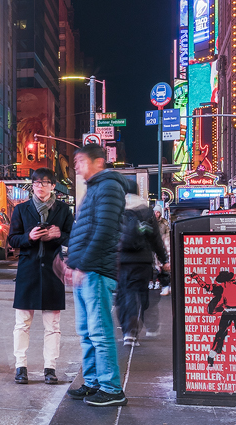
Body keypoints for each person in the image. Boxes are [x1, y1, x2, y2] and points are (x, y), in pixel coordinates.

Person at [64, 142, 129, 408]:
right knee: (86, 332)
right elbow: (85, 230)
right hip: (86, 270)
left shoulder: (109, 187)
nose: (76, 167)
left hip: (97, 271)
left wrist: (83, 264)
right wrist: (71, 262)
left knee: (100, 332)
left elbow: (103, 231)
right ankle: (92, 383)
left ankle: (112, 389)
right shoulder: (94, 188)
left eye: (80, 161)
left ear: (98, 161)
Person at [4, 169, 73, 383]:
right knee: (22, 323)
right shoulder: (21, 209)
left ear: (53, 186)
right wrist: (29, 236)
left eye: (44, 183)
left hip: (53, 272)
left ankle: (50, 368)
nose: (39, 186)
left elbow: (74, 238)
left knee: (52, 325)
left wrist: (59, 234)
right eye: (35, 183)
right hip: (28, 271)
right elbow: (13, 240)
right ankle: (20, 366)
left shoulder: (63, 210)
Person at [116, 188, 168, 346]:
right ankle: (135, 324)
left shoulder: (117, 209)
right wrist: (163, 259)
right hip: (143, 260)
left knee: (124, 293)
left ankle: (128, 330)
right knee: (140, 292)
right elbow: (155, 238)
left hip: (121, 260)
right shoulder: (147, 211)